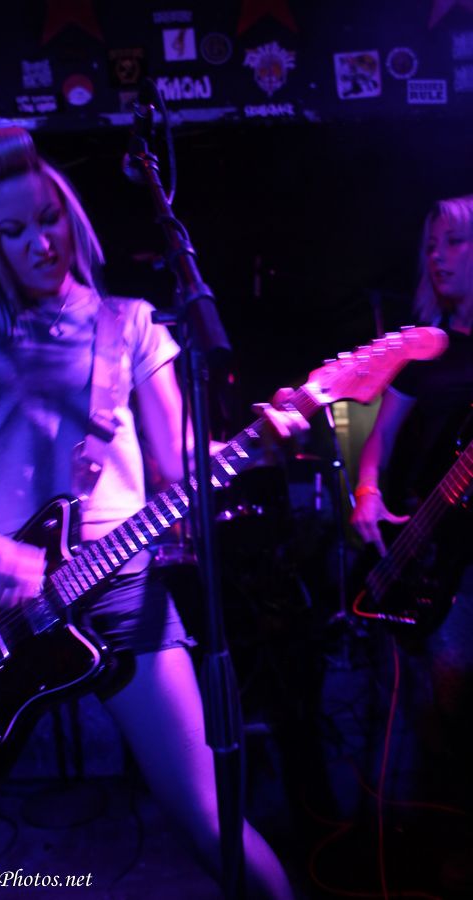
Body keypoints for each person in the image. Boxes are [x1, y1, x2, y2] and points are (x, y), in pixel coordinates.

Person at [0, 126, 305, 898]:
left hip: (122, 589)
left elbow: (179, 465)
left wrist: (257, 444)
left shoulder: (133, 323)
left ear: (72, 215)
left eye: (48, 219)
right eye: (13, 231)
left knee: (209, 816)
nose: (37, 242)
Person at [350, 193, 473, 891]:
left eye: (453, 241)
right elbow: (378, 443)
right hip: (425, 550)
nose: (437, 256)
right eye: (431, 245)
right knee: (437, 703)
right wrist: (368, 494)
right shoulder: (425, 350)